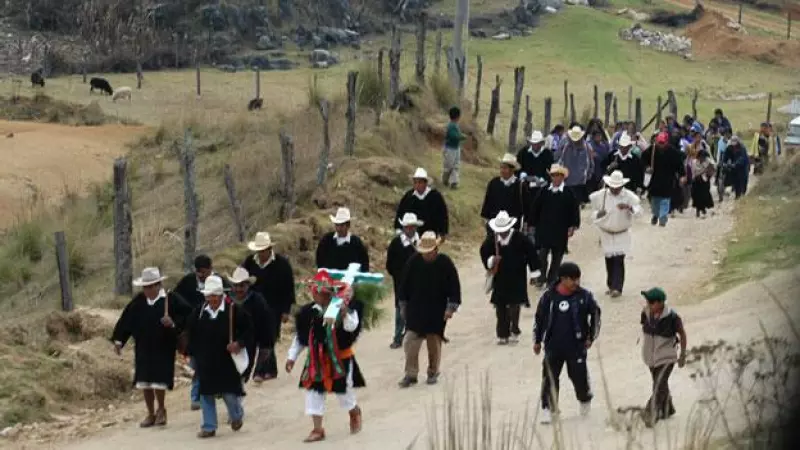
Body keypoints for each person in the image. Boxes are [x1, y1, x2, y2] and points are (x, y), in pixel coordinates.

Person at [286, 270, 365, 443]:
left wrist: (344, 313)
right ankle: (317, 429)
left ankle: (354, 411)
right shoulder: (307, 313)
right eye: (318, 292)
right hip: (316, 359)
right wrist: (292, 357)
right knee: (314, 391)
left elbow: (352, 327)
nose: (321, 295)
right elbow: (300, 337)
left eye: (325, 292)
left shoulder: (342, 307)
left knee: (343, 390)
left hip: (340, 358)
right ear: (313, 293)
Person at [111, 267, 192, 428]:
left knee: (159, 379)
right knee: (145, 380)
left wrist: (173, 323)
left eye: (150, 286)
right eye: (145, 287)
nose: (147, 290)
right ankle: (150, 413)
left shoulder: (171, 299)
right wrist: (119, 339)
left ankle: (161, 409)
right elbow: (126, 320)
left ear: (158, 285)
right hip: (143, 346)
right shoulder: (138, 301)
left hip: (163, 346)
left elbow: (188, 314)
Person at [533, 262, 601, 424]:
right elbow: (539, 319)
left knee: (578, 376)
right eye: (573, 279)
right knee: (549, 377)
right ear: (563, 279)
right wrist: (537, 340)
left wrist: (591, 336)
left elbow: (596, 315)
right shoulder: (549, 297)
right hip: (553, 345)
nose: (576, 283)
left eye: (578, 279)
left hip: (576, 345)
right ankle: (549, 408)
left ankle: (584, 398)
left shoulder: (584, 296)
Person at [187, 275, 253, 439]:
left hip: (226, 361)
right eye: (209, 295)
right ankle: (209, 427)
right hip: (206, 360)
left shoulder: (234, 310)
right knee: (206, 394)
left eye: (215, 295)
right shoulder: (199, 313)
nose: (212, 299)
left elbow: (249, 330)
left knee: (229, 394)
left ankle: (236, 416)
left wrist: (239, 343)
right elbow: (191, 333)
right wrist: (192, 353)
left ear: (222, 294)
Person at [398, 231, 461, 388]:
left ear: (436, 249)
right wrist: (403, 306)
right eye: (423, 252)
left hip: (436, 310)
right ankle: (411, 374)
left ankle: (433, 371)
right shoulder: (414, 261)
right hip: (416, 310)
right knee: (409, 341)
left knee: (434, 342)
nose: (426, 255)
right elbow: (403, 285)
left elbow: (454, 287)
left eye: (429, 252)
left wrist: (450, 308)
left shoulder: (445, 263)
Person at [172, 254, 226, 409]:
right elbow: (175, 299)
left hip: (217, 330)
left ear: (210, 269)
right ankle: (196, 397)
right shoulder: (188, 282)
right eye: (198, 272)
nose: (201, 275)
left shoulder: (221, 282)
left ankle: (218, 389)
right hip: (194, 331)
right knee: (198, 364)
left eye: (204, 271)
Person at [241, 231, 295, 381]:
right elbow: (243, 282)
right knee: (256, 337)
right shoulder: (249, 262)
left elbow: (288, 288)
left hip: (274, 307)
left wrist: (286, 310)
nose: (261, 253)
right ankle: (270, 370)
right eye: (259, 250)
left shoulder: (282, 264)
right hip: (254, 307)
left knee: (270, 336)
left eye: (264, 250)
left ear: (269, 249)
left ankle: (260, 371)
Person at [480, 211, 540, 345]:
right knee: (500, 306)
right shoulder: (492, 240)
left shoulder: (520, 238)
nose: (502, 232)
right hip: (500, 276)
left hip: (517, 276)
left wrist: (534, 271)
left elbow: (531, 253)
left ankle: (514, 330)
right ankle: (502, 333)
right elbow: (484, 252)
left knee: (515, 304)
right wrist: (491, 260)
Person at [588, 171, 641, 298]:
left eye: (617, 187)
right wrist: (598, 214)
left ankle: (617, 287)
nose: (615, 189)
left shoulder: (629, 196)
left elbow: (639, 211)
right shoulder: (601, 195)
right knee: (609, 260)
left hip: (622, 233)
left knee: (619, 260)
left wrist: (629, 207)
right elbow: (593, 211)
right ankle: (611, 284)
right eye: (613, 187)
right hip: (606, 233)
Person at [639, 288, 687, 427]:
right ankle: (668, 409)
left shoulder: (673, 318)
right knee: (660, 384)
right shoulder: (645, 313)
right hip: (650, 358)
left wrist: (682, 354)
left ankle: (650, 413)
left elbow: (682, 334)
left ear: (660, 303)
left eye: (651, 302)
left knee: (659, 385)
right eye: (647, 302)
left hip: (666, 357)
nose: (648, 305)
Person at [529, 164, 580, 287]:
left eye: (558, 175)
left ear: (562, 177)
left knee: (557, 257)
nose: (555, 178)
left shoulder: (568, 193)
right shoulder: (544, 191)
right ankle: (541, 277)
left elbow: (574, 210)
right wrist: (531, 223)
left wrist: (572, 226)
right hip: (544, 229)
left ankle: (552, 280)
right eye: (553, 175)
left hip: (560, 230)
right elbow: (535, 208)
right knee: (542, 255)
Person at [227, 267, 277, 384]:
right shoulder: (227, 300)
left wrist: (266, 343)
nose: (239, 289)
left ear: (248, 285)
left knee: (245, 368)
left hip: (251, 338)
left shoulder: (257, 300)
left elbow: (265, 323)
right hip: (230, 339)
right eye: (236, 285)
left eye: (242, 286)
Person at [386, 212, 423, 349]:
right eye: (407, 226)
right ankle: (397, 337)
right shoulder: (396, 244)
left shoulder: (422, 243)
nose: (410, 229)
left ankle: (414, 334)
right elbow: (390, 264)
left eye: (412, 226)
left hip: (418, 282)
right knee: (400, 309)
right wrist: (399, 276)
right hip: (401, 282)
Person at [641, 132, 686, 227]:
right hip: (654, 181)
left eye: (663, 143)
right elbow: (643, 159)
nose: (661, 145)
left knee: (665, 201)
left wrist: (682, 176)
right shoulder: (652, 150)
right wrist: (647, 167)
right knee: (655, 201)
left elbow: (679, 164)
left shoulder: (673, 152)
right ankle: (656, 214)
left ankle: (663, 218)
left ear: (666, 142)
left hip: (668, 181)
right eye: (659, 142)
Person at [393, 167, 449, 238]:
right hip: (411, 234)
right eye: (415, 182)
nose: (417, 185)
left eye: (420, 182)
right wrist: (398, 228)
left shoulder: (435, 197)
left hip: (430, 235)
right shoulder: (409, 197)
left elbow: (442, 215)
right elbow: (400, 213)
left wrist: (442, 231)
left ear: (425, 183)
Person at [480, 154, 525, 237]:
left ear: (512, 170)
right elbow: (487, 203)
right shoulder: (494, 183)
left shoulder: (520, 186)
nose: (502, 170)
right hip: (494, 224)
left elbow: (523, 209)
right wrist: (487, 221)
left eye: (505, 168)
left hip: (512, 226)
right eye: (501, 167)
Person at [315, 207, 370, 271]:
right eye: (337, 225)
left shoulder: (356, 243)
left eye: (341, 225)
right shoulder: (327, 240)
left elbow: (364, 263)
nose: (339, 228)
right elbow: (320, 259)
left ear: (348, 225)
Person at [554, 126, 593, 206]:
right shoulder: (567, 147)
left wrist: (588, 175)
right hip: (568, 181)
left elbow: (591, 163)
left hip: (580, 182)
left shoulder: (587, 147)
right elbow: (561, 160)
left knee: (577, 204)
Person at [443, 106, 466, 189]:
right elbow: (454, 136)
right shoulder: (451, 126)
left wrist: (461, 135)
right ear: (457, 116)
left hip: (456, 148)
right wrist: (461, 137)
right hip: (450, 149)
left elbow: (457, 135)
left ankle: (454, 183)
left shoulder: (455, 125)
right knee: (449, 166)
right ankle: (445, 180)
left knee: (456, 165)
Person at [691, 149, 716, 218]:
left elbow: (713, 169)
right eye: (701, 156)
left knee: (704, 195)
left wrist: (709, 174)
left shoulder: (708, 161)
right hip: (696, 181)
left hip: (705, 181)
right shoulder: (694, 162)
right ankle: (698, 210)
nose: (702, 158)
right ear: (698, 156)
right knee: (696, 196)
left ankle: (703, 209)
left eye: (704, 157)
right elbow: (694, 173)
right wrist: (702, 172)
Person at [587, 130, 611, 195]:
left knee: (598, 193)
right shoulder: (589, 145)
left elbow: (606, 160)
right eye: (597, 136)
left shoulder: (603, 146)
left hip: (600, 173)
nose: (599, 137)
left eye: (600, 136)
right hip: (591, 174)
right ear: (593, 137)